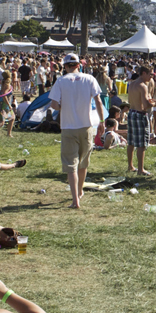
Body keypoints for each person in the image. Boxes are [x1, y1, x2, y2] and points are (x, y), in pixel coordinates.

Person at [47, 53, 106, 207]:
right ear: (78, 65)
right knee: (83, 162)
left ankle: (75, 199)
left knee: (70, 164)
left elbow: (53, 104)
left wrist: (62, 107)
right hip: (86, 126)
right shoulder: (89, 79)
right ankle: (80, 191)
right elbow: (98, 101)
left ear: (65, 66)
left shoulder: (61, 81)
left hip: (68, 127)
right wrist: (101, 120)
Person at [125, 65, 156, 176]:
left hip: (132, 113)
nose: (151, 76)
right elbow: (146, 105)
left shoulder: (132, 84)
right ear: (143, 73)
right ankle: (140, 169)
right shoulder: (143, 86)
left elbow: (133, 100)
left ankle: (130, 165)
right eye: (150, 74)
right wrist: (154, 103)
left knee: (131, 142)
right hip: (140, 115)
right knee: (141, 144)